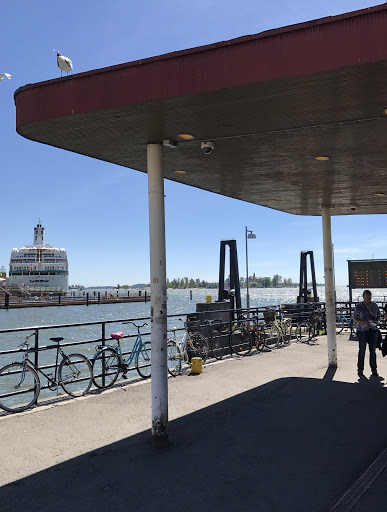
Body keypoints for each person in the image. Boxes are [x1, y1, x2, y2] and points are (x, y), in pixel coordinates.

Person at [353, 290, 380, 377]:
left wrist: (378, 321)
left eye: (370, 297)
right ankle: (360, 370)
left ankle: (374, 369)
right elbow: (355, 318)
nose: (368, 299)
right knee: (362, 350)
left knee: (373, 351)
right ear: (363, 297)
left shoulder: (374, 305)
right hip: (362, 330)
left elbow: (379, 315)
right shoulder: (359, 306)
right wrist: (364, 323)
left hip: (373, 329)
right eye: (367, 297)